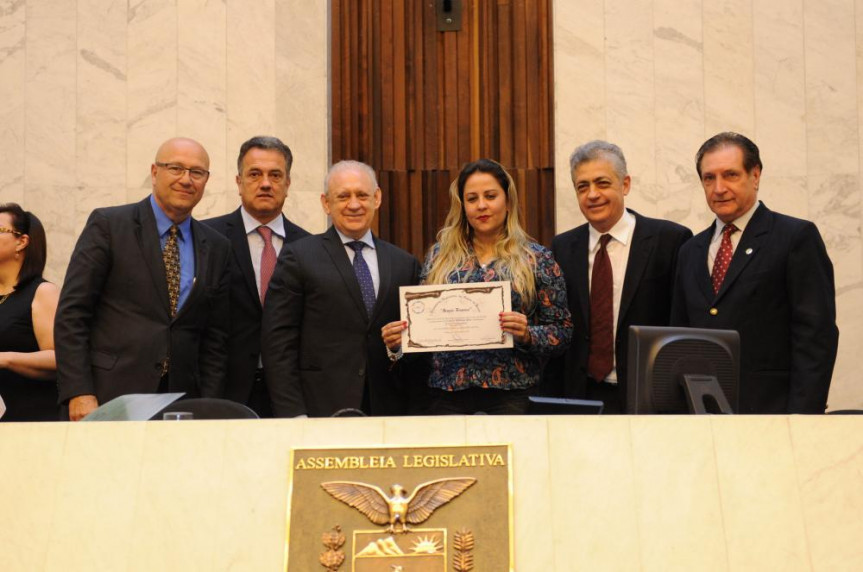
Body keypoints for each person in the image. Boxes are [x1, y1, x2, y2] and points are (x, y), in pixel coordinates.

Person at [55, 137, 232, 421]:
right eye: (176, 168)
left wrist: (209, 405)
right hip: (106, 397)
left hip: (182, 405)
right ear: (154, 172)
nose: (186, 179)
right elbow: (72, 315)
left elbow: (215, 339)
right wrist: (78, 391)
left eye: (197, 172)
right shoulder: (109, 226)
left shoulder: (217, 246)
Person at [382, 159, 572, 415]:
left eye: (490, 196)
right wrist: (399, 344)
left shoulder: (536, 259)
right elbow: (423, 335)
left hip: (513, 396)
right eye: (472, 198)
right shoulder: (440, 259)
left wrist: (528, 335)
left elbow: (562, 333)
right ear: (462, 206)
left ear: (507, 201)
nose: (481, 205)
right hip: (446, 396)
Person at [671, 132, 839, 413]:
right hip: (701, 417)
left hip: (772, 414)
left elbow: (815, 337)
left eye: (730, 175)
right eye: (709, 178)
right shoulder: (690, 250)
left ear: (756, 175)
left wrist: (803, 418)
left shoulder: (795, 237)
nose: (719, 188)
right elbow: (677, 336)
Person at [261, 160, 421, 417]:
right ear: (326, 203)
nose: (354, 204)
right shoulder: (299, 257)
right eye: (343, 196)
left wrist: (396, 348)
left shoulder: (405, 263)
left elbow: (415, 348)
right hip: (319, 409)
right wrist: (293, 414)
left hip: (388, 409)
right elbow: (278, 342)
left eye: (362, 195)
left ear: (377, 198)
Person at [545, 141, 692, 412]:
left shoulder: (670, 240)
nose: (592, 194)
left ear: (625, 184)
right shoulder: (562, 247)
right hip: (581, 395)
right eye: (582, 186)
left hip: (648, 396)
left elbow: (681, 321)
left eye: (602, 183)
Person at [203, 136, 309, 417]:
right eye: (254, 174)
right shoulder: (206, 238)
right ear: (239, 182)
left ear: (288, 184)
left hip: (293, 396)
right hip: (223, 391)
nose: (265, 183)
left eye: (275, 175)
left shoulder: (311, 247)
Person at [0, 204, 60, 421]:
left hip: (35, 419)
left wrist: (5, 359)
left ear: (22, 242)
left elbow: (59, 357)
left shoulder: (42, 292)